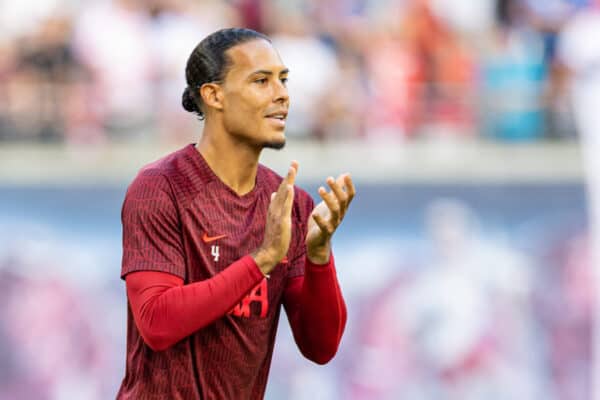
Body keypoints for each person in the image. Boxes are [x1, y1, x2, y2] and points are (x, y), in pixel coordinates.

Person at [116, 28, 355, 399]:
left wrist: (319, 256)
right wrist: (262, 260)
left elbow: (320, 347)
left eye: (283, 79)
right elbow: (157, 322)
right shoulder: (161, 188)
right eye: (261, 80)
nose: (282, 94)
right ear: (214, 95)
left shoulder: (289, 203)